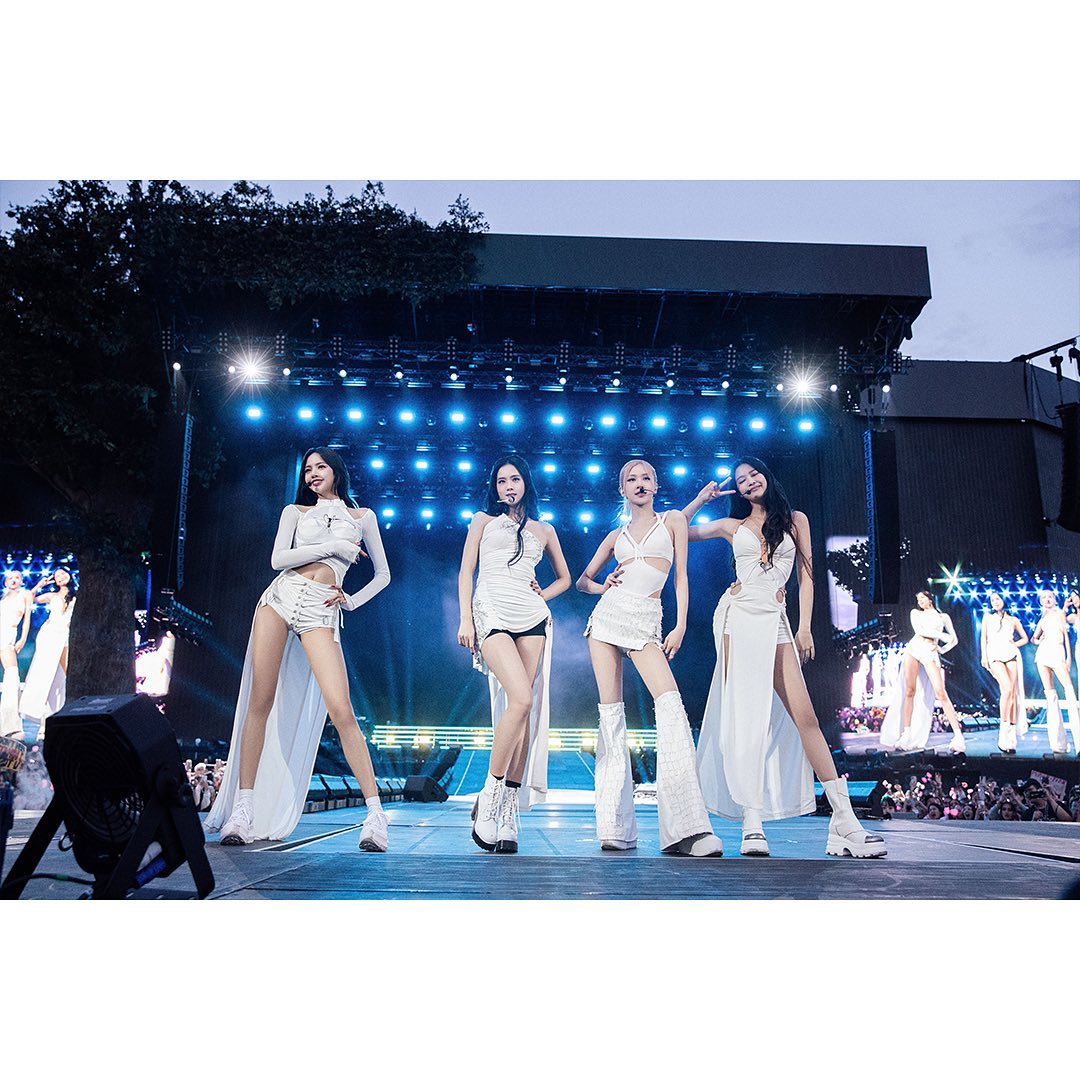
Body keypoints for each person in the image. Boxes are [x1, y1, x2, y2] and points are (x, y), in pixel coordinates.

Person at [682, 458, 886, 858]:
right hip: (736, 618)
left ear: (766, 476)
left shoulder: (796, 520)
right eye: (740, 480)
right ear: (737, 491)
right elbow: (677, 531)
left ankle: (844, 822)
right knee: (746, 718)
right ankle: (752, 821)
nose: (748, 482)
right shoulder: (731, 526)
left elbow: (807, 576)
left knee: (805, 717)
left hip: (775, 620)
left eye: (753, 474)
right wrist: (701, 499)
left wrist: (804, 627)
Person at [205, 447, 392, 848]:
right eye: (307, 469)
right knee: (260, 700)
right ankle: (244, 808)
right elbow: (279, 559)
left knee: (341, 710)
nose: (312, 474)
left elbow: (383, 574)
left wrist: (351, 601)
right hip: (280, 598)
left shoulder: (363, 517)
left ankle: (376, 815)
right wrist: (334, 548)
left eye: (320, 466)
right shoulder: (295, 512)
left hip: (321, 609)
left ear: (337, 470)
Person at [576, 459, 723, 857]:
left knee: (671, 708)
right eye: (631, 479)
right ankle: (615, 828)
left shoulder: (672, 520)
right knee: (611, 718)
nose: (639, 483)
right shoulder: (615, 536)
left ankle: (687, 830)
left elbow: (681, 576)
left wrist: (680, 625)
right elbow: (582, 581)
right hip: (607, 620)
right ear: (621, 489)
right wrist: (601, 585)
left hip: (646, 621)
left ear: (656, 485)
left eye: (646, 477)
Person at [457, 454, 571, 853]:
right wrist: (466, 619)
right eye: (502, 480)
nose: (509, 486)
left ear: (526, 484)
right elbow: (466, 571)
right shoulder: (481, 521)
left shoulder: (544, 529)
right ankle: (489, 796)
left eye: (515, 479)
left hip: (532, 615)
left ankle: (509, 811)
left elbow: (565, 578)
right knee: (519, 699)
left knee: (525, 710)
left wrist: (545, 594)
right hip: (491, 608)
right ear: (495, 487)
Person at [880, 591, 965, 754]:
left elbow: (954, 639)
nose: (919, 601)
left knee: (941, 693)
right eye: (918, 599)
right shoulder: (916, 614)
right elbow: (920, 631)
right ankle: (906, 734)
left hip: (930, 652)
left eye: (922, 598)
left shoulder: (943, 617)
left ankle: (958, 735)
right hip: (914, 648)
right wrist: (942, 636)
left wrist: (941, 649)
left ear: (930, 599)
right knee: (909, 691)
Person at [19, 567, 77, 740]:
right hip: (50, 635)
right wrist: (40, 585)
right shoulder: (52, 596)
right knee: (45, 676)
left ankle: (60, 715)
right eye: (57, 576)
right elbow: (30, 598)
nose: (60, 577)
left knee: (64, 676)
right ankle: (43, 722)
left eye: (63, 574)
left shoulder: (78, 595)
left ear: (69, 575)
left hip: (67, 635)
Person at [1030, 590, 1079, 754]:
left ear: (1055, 599)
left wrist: (1068, 658)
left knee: (1069, 691)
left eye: (1050, 596)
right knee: (1050, 695)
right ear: (1041, 602)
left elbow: (1066, 636)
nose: (1047, 599)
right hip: (1043, 655)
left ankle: (1078, 741)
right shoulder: (1042, 620)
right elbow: (1033, 638)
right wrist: (1038, 641)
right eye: (1044, 598)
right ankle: (1058, 744)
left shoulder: (1059, 613)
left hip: (1057, 653)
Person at [979, 592, 1028, 753]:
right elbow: (983, 638)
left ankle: (1011, 736)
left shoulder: (1013, 619)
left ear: (1003, 600)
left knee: (1012, 694)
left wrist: (1014, 644)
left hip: (1011, 654)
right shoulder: (987, 617)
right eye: (992, 600)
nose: (995, 602)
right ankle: (1003, 734)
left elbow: (1025, 638)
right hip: (994, 654)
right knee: (1006, 688)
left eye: (997, 599)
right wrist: (984, 656)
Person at [0, 571, 33, 741]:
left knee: (12, 676)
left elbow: (27, 620)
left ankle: (10, 725)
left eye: (17, 577)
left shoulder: (25, 595)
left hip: (9, 635)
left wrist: (23, 638)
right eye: (10, 578)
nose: (14, 580)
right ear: (5, 582)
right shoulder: (3, 599)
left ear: (21, 581)